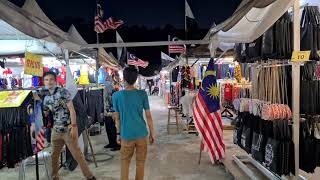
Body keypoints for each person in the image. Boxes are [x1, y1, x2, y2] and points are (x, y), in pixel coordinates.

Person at [33, 71, 96, 180]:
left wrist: (74, 126)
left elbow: (72, 110)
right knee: (54, 156)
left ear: (55, 80)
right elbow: (46, 112)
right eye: (46, 80)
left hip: (68, 129)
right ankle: (55, 177)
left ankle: (90, 176)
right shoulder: (45, 97)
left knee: (77, 155)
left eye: (51, 79)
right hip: (56, 131)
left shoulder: (63, 92)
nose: (49, 82)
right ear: (44, 82)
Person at [112, 67, 155, 180]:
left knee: (125, 163)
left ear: (123, 79)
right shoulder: (142, 94)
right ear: (136, 79)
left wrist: (118, 133)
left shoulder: (116, 96)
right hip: (141, 134)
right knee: (140, 163)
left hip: (126, 135)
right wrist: (152, 133)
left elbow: (117, 118)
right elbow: (148, 116)